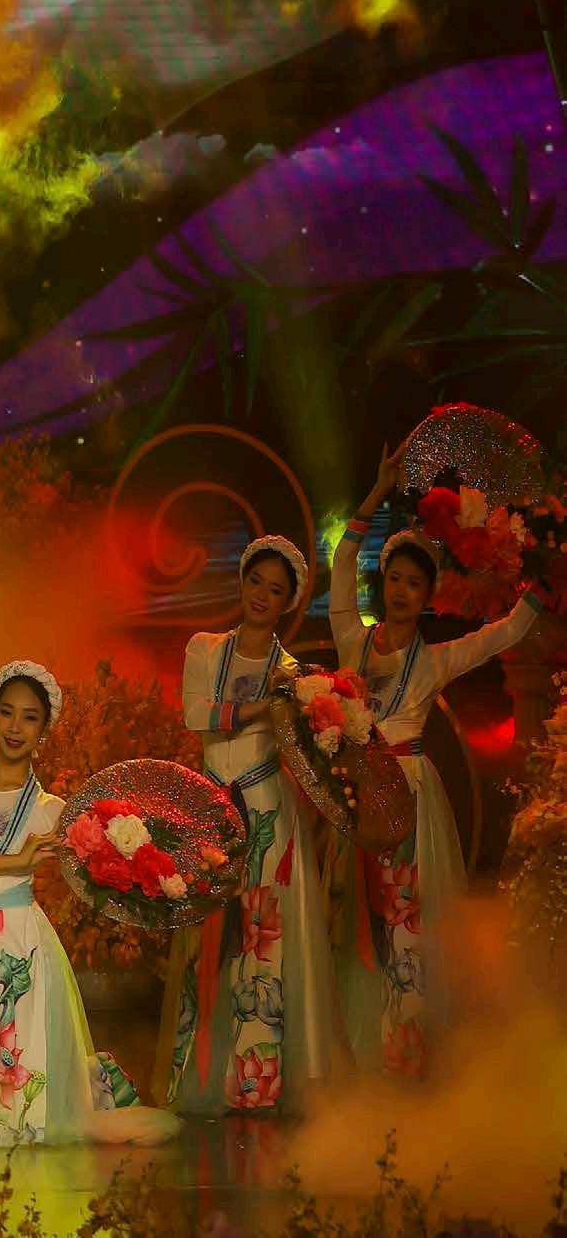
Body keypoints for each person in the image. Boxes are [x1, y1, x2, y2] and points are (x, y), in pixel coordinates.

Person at [328, 444, 542, 1078]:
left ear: (427, 595)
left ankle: (409, 1053)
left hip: (411, 800)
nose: (401, 590)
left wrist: (543, 577)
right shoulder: (352, 640)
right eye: (394, 578)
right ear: (384, 582)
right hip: (358, 798)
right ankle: (364, 1054)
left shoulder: (435, 660)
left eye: (414, 583)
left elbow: (507, 632)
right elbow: (341, 563)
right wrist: (375, 495)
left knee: (409, 924)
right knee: (360, 924)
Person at [0, 662, 178, 1147]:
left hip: (20, 935)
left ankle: (19, 1121)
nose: (15, 727)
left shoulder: (51, 809)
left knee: (12, 1031)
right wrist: (16, 859)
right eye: (7, 713)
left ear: (44, 730)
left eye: (30, 717)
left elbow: (106, 861)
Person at [162, 534, 343, 1115]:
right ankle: (198, 1077)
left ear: (289, 602)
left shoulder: (293, 673)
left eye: (277, 590)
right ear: (241, 582)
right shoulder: (204, 649)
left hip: (267, 807)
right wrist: (264, 705)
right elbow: (196, 716)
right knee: (208, 941)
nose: (263, 595)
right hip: (211, 809)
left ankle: (256, 1083)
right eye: (256, 581)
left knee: (264, 938)